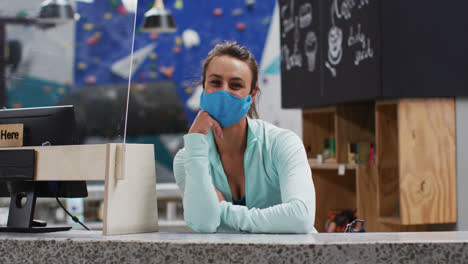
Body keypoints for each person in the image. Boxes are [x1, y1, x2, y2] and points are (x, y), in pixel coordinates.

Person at [173, 41, 316, 233]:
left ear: (252, 94)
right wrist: (195, 139)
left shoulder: (282, 144)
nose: (224, 92)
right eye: (215, 82)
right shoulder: (186, 158)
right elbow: (204, 223)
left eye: (236, 85)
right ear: (204, 86)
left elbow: (301, 217)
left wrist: (223, 209)